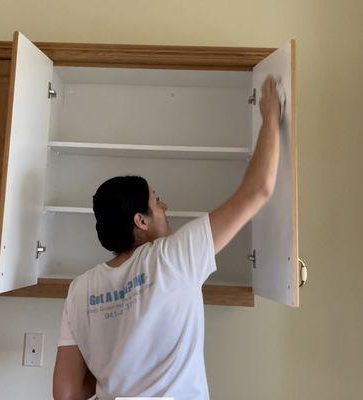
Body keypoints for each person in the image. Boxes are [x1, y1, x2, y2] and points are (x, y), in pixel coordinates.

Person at [53, 75, 281, 400]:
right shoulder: (172, 257)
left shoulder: (80, 289)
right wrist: (271, 116)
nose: (164, 206)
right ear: (140, 220)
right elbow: (258, 189)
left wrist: (113, 371)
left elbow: (66, 393)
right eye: (156, 200)